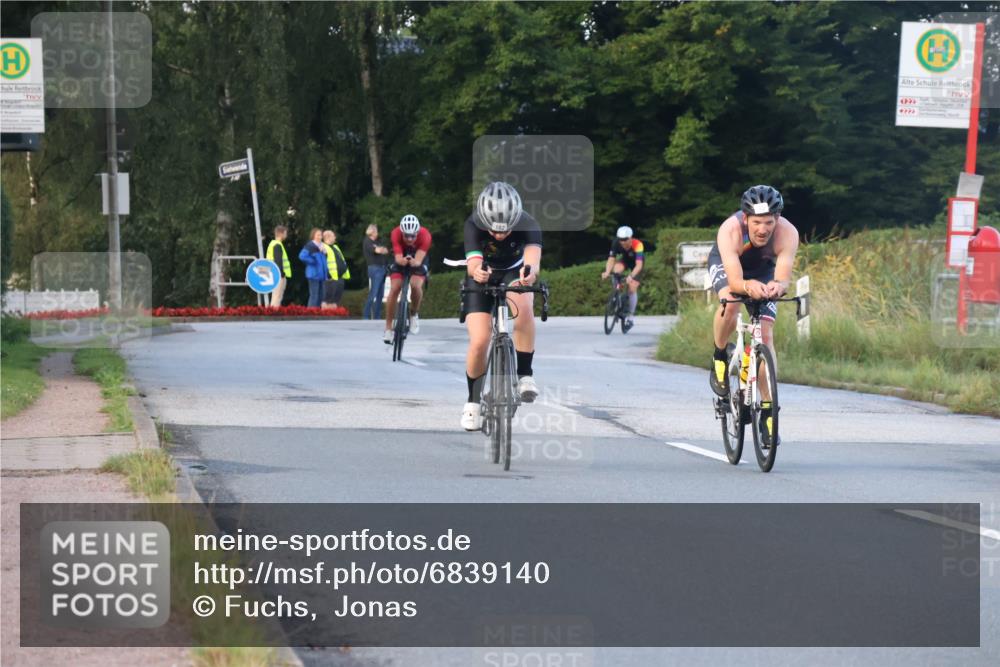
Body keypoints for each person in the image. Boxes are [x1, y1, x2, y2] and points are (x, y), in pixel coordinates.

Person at [707, 184, 799, 447]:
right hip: (730, 268)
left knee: (766, 334)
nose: (762, 229)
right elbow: (735, 281)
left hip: (763, 271)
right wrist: (747, 287)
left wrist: (777, 287)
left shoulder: (788, 233)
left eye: (768, 222)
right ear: (746, 218)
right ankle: (719, 356)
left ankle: (768, 411)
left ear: (777, 219)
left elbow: (783, 276)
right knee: (732, 302)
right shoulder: (730, 230)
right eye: (757, 222)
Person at [460, 182, 542, 431]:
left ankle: (525, 374)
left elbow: (532, 263)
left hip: (513, 271)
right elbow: (473, 263)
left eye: (506, 230)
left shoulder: (529, 224)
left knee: (524, 304)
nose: (499, 235)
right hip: (482, 274)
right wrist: (478, 272)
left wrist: (529, 275)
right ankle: (473, 403)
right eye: (493, 231)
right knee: (479, 340)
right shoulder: (473, 224)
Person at [384, 214, 431, 344]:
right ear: (402, 232)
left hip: (418, 257)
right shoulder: (396, 233)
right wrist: (402, 261)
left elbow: (419, 259)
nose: (409, 239)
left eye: (413, 236)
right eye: (406, 236)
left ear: (417, 233)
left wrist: (415, 262)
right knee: (394, 289)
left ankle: (413, 314)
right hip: (401, 255)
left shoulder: (425, 235)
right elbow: (398, 257)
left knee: (416, 285)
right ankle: (388, 329)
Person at [601, 225, 644, 328]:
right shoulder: (616, 242)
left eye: (625, 239)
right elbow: (611, 259)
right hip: (625, 261)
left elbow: (639, 265)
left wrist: (631, 276)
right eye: (620, 239)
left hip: (636, 265)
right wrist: (607, 272)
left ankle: (630, 317)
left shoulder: (638, 244)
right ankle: (617, 293)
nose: (623, 242)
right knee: (616, 269)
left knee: (632, 288)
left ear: (630, 238)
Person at [362, 224, 390, 319]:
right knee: (373, 293)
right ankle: (366, 315)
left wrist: (381, 249)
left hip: (382, 268)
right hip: (374, 268)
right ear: (372, 232)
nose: (377, 233)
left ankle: (377, 316)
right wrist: (380, 249)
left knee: (380, 295)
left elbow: (385, 250)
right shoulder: (367, 241)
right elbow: (377, 251)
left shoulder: (378, 241)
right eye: (376, 231)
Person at [298, 228, 328, 308]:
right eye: (318, 235)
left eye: (320, 235)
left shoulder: (323, 246)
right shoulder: (310, 245)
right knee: (314, 295)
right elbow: (302, 256)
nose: (320, 237)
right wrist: (313, 261)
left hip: (322, 275)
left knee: (321, 295)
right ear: (313, 236)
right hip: (313, 274)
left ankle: (317, 314)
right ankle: (310, 314)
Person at [321, 229, 350, 310]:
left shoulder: (335, 247)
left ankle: (333, 314)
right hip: (331, 277)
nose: (335, 237)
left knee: (336, 298)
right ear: (328, 237)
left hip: (340, 276)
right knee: (328, 297)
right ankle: (326, 313)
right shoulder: (323, 247)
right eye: (334, 236)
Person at [265, 225, 292, 309]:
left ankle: (273, 311)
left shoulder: (273, 244)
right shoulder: (277, 245)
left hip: (274, 273)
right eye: (285, 233)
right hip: (279, 275)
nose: (286, 235)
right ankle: (273, 313)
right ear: (281, 234)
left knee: (276, 295)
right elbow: (278, 260)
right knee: (277, 295)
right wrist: (281, 273)